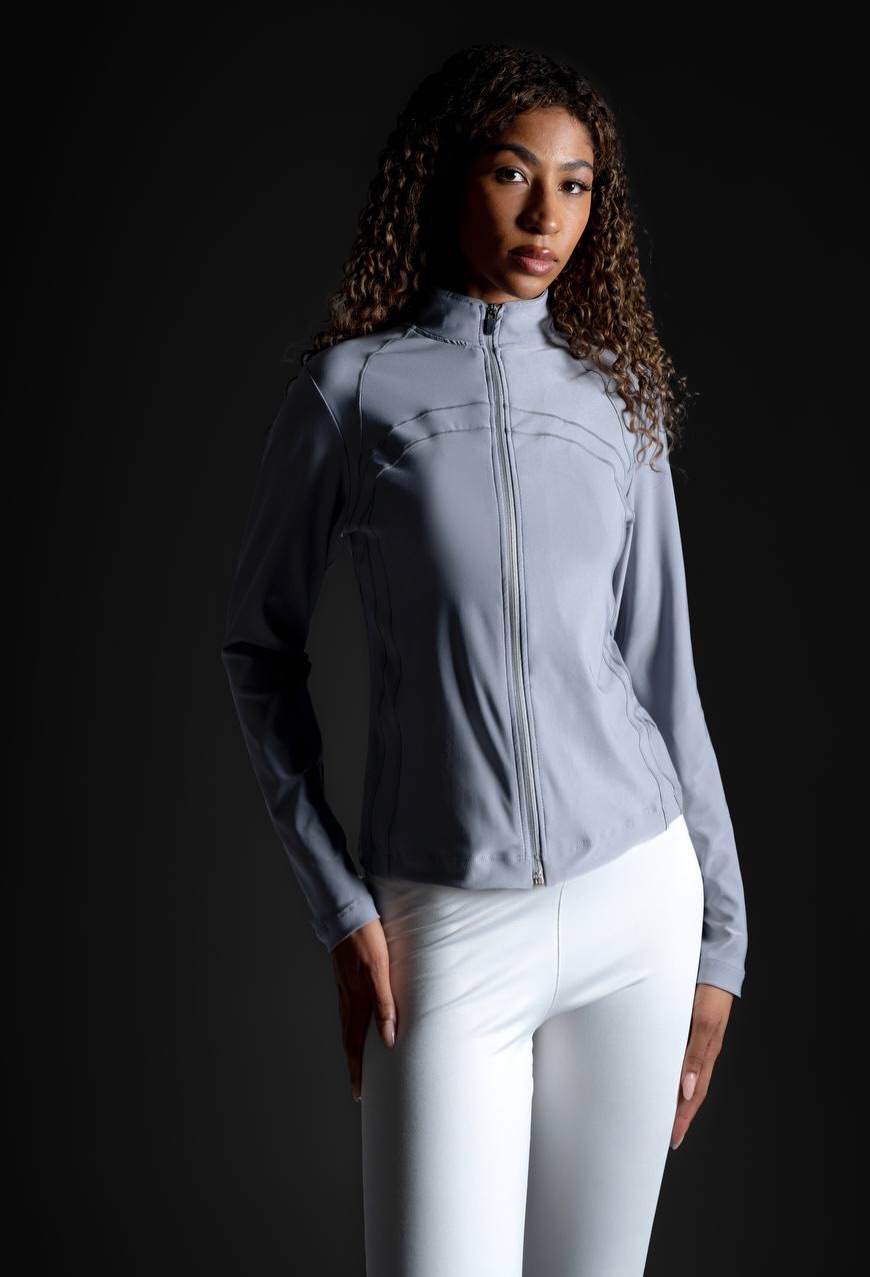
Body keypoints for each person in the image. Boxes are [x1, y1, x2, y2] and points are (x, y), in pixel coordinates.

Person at [221, 42, 748, 1277]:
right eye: (514, 174)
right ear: (448, 177)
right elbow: (257, 646)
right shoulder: (353, 391)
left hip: (637, 902)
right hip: (444, 924)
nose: (545, 215)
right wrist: (338, 898)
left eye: (576, 186)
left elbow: (664, 678)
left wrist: (721, 938)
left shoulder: (620, 404)